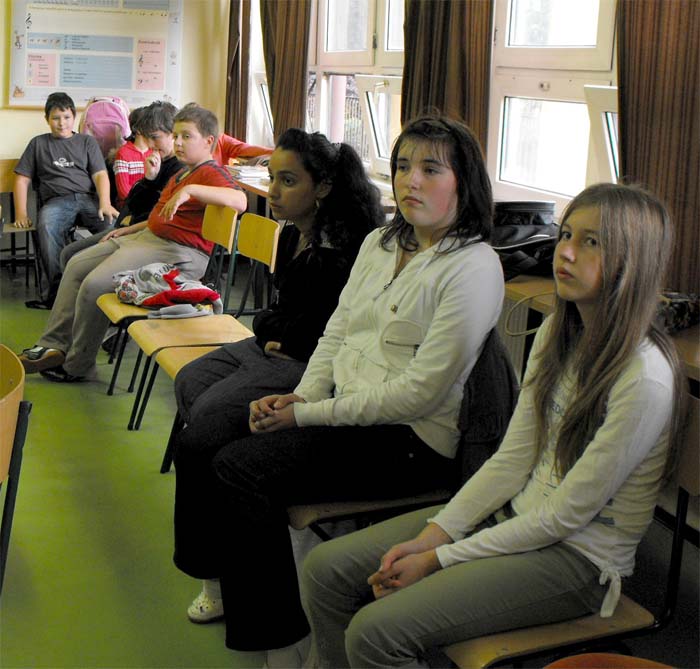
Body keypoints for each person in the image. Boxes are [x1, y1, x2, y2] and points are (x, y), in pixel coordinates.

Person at [300, 183, 687, 669]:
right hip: (514, 515)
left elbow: (563, 518)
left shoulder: (643, 376)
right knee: (324, 571)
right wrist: (437, 534)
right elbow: (512, 459)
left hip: (577, 561)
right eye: (567, 234)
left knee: (375, 635)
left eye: (592, 242)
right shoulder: (556, 332)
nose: (566, 252)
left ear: (634, 262)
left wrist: (437, 558)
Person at [172, 116, 505, 667]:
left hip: (410, 441)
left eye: (431, 169)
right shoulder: (380, 243)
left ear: (464, 182)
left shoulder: (473, 266)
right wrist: (303, 396)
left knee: (240, 468)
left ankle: (282, 644)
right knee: (217, 443)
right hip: (344, 417)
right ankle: (260, 611)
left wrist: (308, 415)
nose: (411, 181)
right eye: (403, 167)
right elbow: (336, 333)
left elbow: (420, 394)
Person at [174, 127, 384, 464]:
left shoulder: (338, 253)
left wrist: (273, 328)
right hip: (273, 346)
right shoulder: (290, 236)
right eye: (272, 178)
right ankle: (213, 450)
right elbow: (277, 316)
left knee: (210, 409)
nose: (272, 192)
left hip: (305, 362)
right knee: (189, 380)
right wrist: (270, 327)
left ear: (322, 187)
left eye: (288, 181)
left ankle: (222, 457)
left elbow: (315, 334)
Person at [17, 105, 247, 383]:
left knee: (94, 284)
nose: (178, 143)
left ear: (209, 141)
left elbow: (240, 200)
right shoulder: (181, 174)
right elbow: (157, 217)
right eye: (176, 136)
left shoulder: (209, 172)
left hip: (176, 252)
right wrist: (130, 229)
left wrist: (190, 190)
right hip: (148, 238)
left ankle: (78, 365)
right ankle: (54, 345)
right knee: (76, 265)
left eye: (186, 136)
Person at [13, 91, 119, 309]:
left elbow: (100, 175)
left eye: (66, 117)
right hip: (57, 202)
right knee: (46, 226)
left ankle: (104, 287)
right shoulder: (38, 144)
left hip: (88, 200)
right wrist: (21, 213)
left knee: (113, 226)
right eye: (55, 118)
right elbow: (22, 180)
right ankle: (57, 296)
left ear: (74, 117)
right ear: (47, 119)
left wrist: (105, 202)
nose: (62, 123)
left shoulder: (87, 142)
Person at [59, 101, 181, 267]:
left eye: (155, 137)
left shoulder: (179, 169)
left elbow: (161, 219)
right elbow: (133, 203)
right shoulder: (157, 161)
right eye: (147, 138)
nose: (150, 145)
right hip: (130, 227)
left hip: (143, 235)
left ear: (173, 134)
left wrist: (126, 230)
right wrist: (149, 179)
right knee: (67, 254)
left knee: (75, 260)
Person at [111, 106, 153, 208]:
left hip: (150, 204)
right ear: (138, 129)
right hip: (129, 206)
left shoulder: (155, 152)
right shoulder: (123, 153)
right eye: (151, 124)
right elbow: (123, 192)